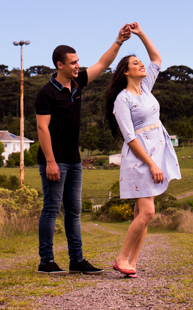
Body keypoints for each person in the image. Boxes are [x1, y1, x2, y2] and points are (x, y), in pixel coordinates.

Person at [35, 25, 131, 275]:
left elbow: (102, 63)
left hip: (74, 160)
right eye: (73, 62)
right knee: (51, 209)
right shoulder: (46, 94)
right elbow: (42, 129)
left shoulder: (77, 84)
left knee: (74, 211)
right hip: (54, 161)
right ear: (60, 64)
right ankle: (46, 261)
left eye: (78, 62)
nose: (78, 65)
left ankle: (76, 260)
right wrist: (51, 162)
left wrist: (118, 41)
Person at [105, 23, 180, 278]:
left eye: (140, 62)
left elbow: (157, 58)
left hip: (155, 153)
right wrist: (152, 164)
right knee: (148, 212)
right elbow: (129, 137)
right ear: (126, 72)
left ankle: (131, 262)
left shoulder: (146, 87)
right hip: (140, 159)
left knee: (142, 215)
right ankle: (121, 258)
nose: (142, 65)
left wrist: (140, 34)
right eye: (136, 63)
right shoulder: (122, 99)